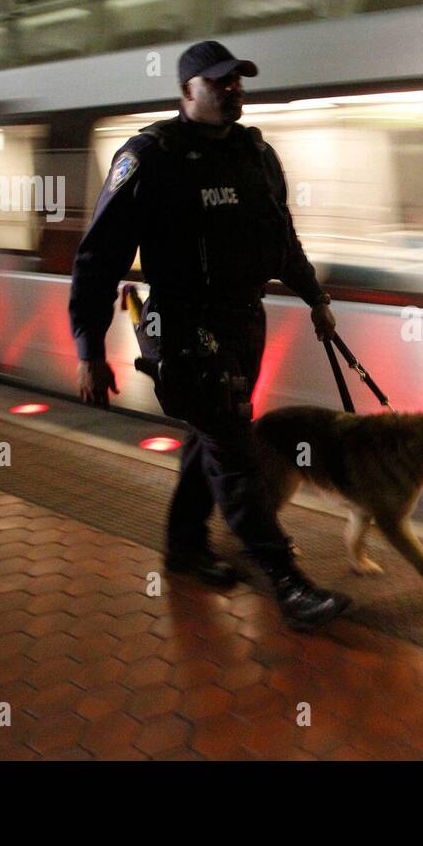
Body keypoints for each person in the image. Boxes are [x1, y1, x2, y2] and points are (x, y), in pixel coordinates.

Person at [69, 40, 351, 631]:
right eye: (218, 81)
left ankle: (184, 545)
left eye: (237, 80)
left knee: (211, 435)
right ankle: (288, 583)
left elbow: (282, 240)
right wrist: (90, 348)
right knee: (232, 446)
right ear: (186, 92)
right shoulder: (150, 159)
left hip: (244, 322)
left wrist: (315, 297)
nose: (232, 89)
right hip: (181, 327)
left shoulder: (255, 155)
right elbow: (98, 260)